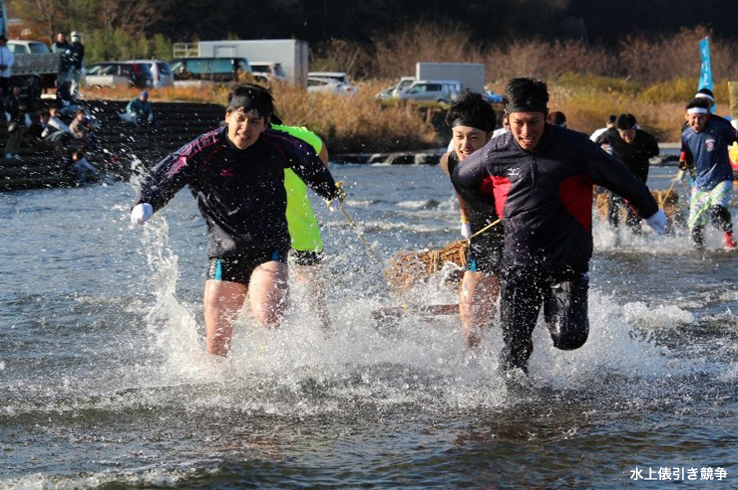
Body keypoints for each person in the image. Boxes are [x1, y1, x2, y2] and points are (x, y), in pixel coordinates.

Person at [451, 77, 667, 377]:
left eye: (534, 122)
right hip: (518, 263)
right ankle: (513, 413)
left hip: (566, 262)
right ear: (506, 119)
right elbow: (462, 176)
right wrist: (489, 209)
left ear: (545, 115)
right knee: (514, 348)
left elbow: (620, 176)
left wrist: (649, 210)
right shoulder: (496, 151)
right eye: (519, 123)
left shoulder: (575, 147)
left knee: (569, 338)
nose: (527, 132)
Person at [130, 84, 343, 356]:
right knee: (216, 344)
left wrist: (328, 189)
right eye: (240, 118)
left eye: (255, 121)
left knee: (270, 316)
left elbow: (308, 159)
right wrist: (147, 201)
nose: (246, 127)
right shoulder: (204, 149)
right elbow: (170, 170)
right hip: (224, 252)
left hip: (269, 248)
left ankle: (293, 365)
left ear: (266, 124)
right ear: (228, 116)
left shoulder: (278, 145)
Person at [440, 91, 503, 349]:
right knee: (471, 319)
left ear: (489, 138)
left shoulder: (503, 163)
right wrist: (465, 221)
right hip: (481, 241)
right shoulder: (451, 159)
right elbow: (460, 188)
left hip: (518, 243)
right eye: (459, 137)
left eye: (473, 138)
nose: (465, 145)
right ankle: (473, 367)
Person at [270, 115, 333, 331]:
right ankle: (327, 344)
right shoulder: (298, 134)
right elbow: (321, 149)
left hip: (275, 233)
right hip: (302, 231)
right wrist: (317, 177)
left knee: (263, 299)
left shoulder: (242, 139)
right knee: (316, 303)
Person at [680, 97, 738, 250]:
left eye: (701, 118)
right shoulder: (686, 134)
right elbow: (685, 150)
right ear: (687, 117)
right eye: (694, 118)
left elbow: (735, 135)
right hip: (700, 184)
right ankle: (701, 254)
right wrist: (683, 160)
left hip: (722, 179)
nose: (697, 122)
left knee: (717, 210)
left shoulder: (719, 128)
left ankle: (729, 238)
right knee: (695, 228)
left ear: (706, 117)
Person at [595, 113, 660, 234]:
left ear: (635, 129)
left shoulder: (646, 138)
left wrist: (641, 157)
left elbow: (655, 151)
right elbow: (594, 146)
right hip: (617, 180)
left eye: (630, 134)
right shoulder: (611, 134)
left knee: (634, 213)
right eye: (624, 135)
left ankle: (635, 238)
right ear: (618, 131)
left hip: (637, 180)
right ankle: (613, 237)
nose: (627, 138)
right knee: (613, 208)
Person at [4, 85, 25, 159]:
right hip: (11, 119)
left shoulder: (20, 99)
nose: (17, 90)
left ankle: (15, 152)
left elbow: (24, 109)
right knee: (14, 135)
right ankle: (7, 152)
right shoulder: (9, 98)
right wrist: (17, 108)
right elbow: (7, 109)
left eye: (19, 88)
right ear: (13, 89)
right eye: (16, 88)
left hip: (20, 120)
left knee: (19, 137)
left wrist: (23, 108)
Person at [69, 31, 85, 96]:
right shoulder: (69, 46)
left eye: (76, 36)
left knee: (76, 82)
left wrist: (74, 58)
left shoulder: (80, 47)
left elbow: (80, 56)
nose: (74, 38)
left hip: (77, 67)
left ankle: (74, 95)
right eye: (73, 36)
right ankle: (68, 94)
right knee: (69, 82)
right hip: (69, 67)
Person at [0, 36, 14, 101]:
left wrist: (7, 66)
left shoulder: (7, 50)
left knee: (5, 91)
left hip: (6, 74)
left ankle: (5, 104)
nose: (4, 42)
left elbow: (11, 59)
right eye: (3, 41)